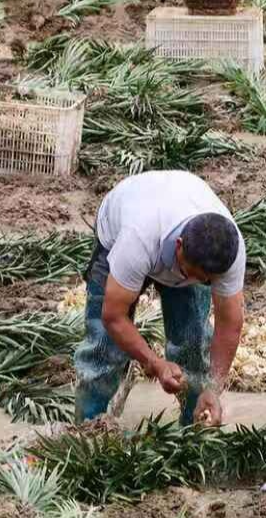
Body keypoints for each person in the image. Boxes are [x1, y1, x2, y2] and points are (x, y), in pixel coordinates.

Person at [75, 171, 247, 427]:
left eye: (208, 280)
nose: (204, 283)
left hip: (177, 214)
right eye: (195, 275)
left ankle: (195, 425)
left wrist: (213, 387)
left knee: (192, 344)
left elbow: (229, 325)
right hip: (122, 227)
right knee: (104, 347)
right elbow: (113, 316)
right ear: (179, 246)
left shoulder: (227, 251)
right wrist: (153, 363)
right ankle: (89, 427)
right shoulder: (137, 239)